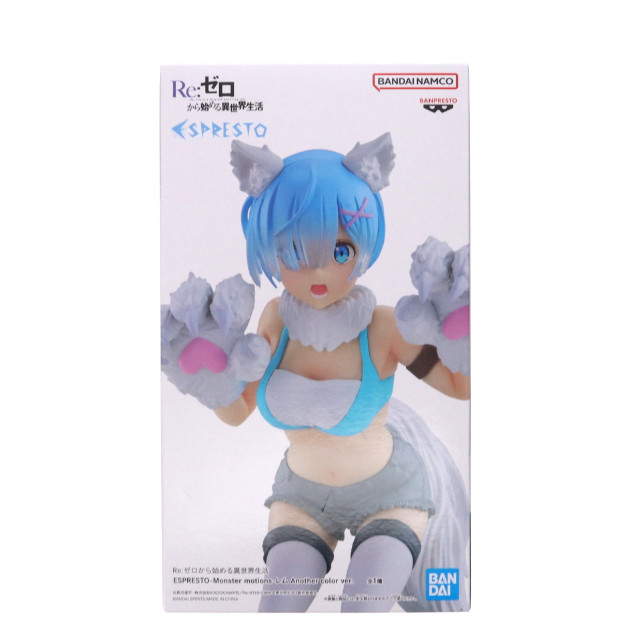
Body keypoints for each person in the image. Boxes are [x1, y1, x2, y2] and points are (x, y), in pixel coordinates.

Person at [161, 134, 470, 612]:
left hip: (388, 496)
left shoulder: (384, 326)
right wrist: (211, 381)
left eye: (341, 250)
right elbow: (238, 412)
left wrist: (461, 338)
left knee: (361, 611)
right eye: (294, 252)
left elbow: (458, 387)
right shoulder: (275, 319)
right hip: (302, 498)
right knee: (276, 613)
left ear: (363, 246)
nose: (319, 272)